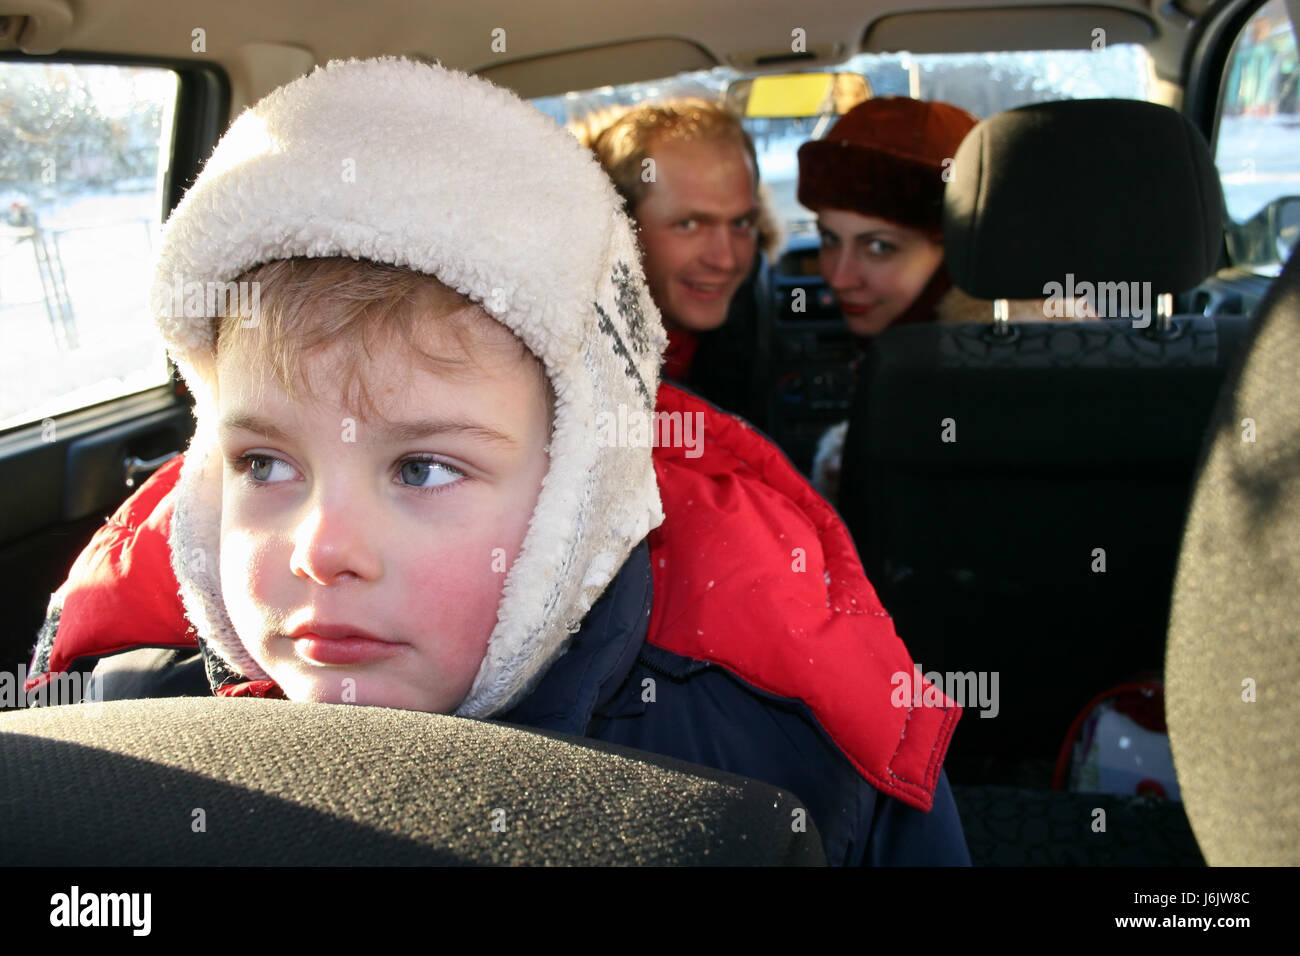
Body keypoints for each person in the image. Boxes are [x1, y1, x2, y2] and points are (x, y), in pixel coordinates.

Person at [25, 58, 969, 865]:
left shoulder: (775, 751)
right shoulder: (117, 721)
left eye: (422, 469)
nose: (325, 550)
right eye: (265, 464)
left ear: (578, 496)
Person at [797, 97, 1060, 497]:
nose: (837, 277)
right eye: (830, 238)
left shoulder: (987, 399)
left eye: (880, 247)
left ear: (960, 255)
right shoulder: (1063, 353)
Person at [584, 100, 776, 419]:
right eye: (689, 225)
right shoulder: (572, 369)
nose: (725, 260)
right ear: (619, 230)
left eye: (741, 223)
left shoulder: (750, 314)